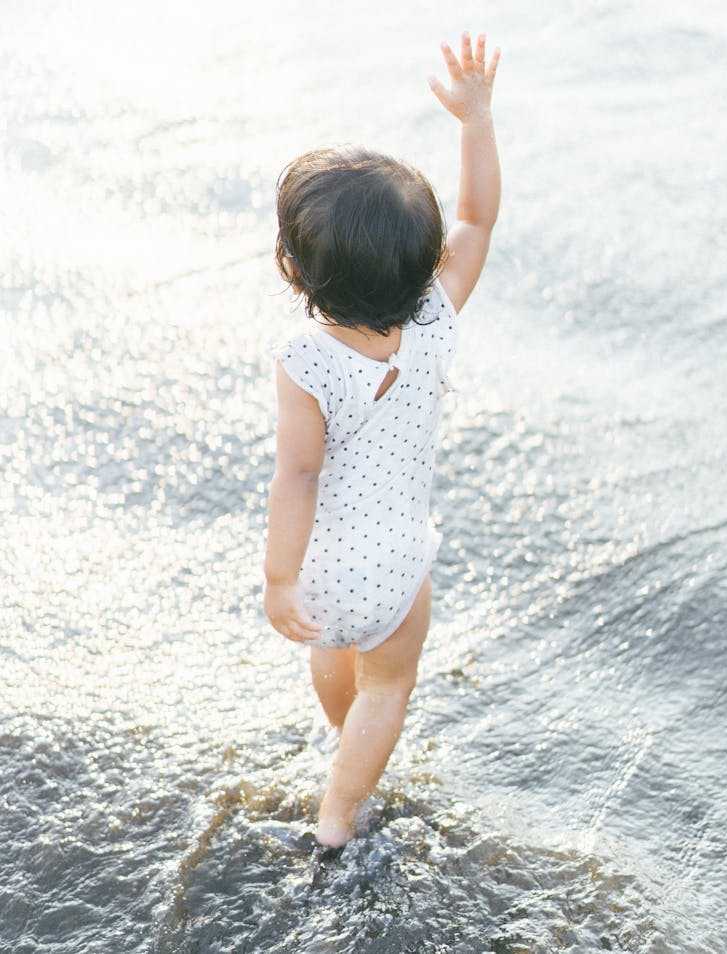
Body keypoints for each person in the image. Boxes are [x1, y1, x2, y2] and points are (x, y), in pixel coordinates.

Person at [263, 32, 501, 848]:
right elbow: (477, 215)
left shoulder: (306, 360)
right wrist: (475, 118)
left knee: (336, 666)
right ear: (424, 260)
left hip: (325, 572)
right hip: (398, 566)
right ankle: (343, 809)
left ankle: (343, 771)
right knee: (388, 684)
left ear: (299, 274)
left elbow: (296, 478)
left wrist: (278, 580)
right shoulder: (435, 318)